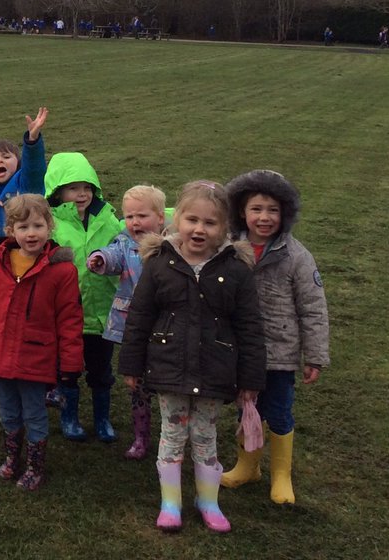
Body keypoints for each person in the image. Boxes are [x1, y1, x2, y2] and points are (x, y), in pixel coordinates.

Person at [118, 180, 265, 533]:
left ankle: (208, 500)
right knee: (171, 432)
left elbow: (250, 327)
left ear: (224, 227)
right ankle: (170, 502)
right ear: (177, 219)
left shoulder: (236, 270)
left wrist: (250, 379)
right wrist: (131, 363)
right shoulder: (159, 264)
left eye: (210, 223)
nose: (199, 229)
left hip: (215, 370)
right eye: (192, 219)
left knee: (205, 435)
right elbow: (139, 317)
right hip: (169, 366)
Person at [221, 170, 329, 505]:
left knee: (279, 411)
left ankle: (281, 475)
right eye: (257, 209)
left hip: (280, 351)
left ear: (285, 214)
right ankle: (247, 465)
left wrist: (315, 355)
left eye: (272, 210)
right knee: (246, 408)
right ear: (242, 211)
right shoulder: (228, 247)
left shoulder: (296, 256)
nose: (264, 217)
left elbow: (313, 307)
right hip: (241, 349)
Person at [0, 194, 84, 490]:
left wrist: (69, 365)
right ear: (10, 230)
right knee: (8, 411)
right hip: (0, 355)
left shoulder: (62, 271)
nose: (31, 233)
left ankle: (34, 465)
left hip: (36, 357)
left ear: (49, 227)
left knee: (35, 413)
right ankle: (11, 459)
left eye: (38, 225)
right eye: (24, 226)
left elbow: (70, 320)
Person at [44, 151, 124, 442]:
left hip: (103, 313)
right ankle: (70, 417)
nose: (81, 194)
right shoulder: (51, 224)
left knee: (102, 372)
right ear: (57, 191)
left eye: (87, 187)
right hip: (67, 315)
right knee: (68, 371)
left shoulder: (108, 219)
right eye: (73, 187)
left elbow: (128, 241)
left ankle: (102, 420)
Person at [86, 185, 169, 459]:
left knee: (169, 386)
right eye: (130, 216)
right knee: (138, 387)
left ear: (160, 217)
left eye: (142, 216)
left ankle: (172, 437)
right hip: (134, 328)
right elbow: (113, 256)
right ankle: (141, 437)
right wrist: (100, 258)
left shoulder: (172, 246)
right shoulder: (124, 242)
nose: (135, 222)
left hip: (167, 327)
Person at [0, 108, 49, 240]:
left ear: (18, 162)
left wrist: (32, 140)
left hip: (29, 247)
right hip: (4, 253)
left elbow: (34, 169)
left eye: (6, 157)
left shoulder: (23, 183)